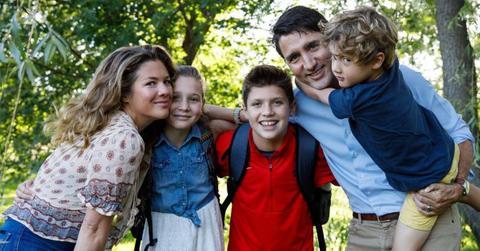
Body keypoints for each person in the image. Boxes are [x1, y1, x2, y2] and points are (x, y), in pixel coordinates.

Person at [271, 5, 475, 251]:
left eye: (313, 46)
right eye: (294, 57)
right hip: (363, 231)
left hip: (430, 218)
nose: (309, 63)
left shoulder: (399, 79)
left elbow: (459, 133)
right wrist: (220, 112)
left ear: (331, 39)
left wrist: (458, 185)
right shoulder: (297, 107)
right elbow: (259, 119)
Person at [0, 44, 175, 251]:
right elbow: (94, 231)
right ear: (125, 93)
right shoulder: (124, 138)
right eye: (151, 83)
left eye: (167, 82)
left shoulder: (105, 122)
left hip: (25, 236)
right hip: (40, 244)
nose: (164, 91)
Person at [215, 65, 335, 250]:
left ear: (292, 107)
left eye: (277, 102)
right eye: (257, 104)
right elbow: (195, 116)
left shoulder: (310, 148)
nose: (268, 111)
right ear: (245, 111)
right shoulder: (232, 145)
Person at [140, 65, 224, 251]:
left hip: (206, 220)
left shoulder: (208, 133)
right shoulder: (146, 141)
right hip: (162, 227)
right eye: (176, 98)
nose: (184, 107)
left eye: (194, 99)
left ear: (202, 104)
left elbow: (248, 121)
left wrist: (238, 113)